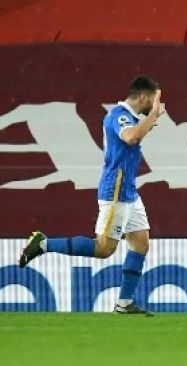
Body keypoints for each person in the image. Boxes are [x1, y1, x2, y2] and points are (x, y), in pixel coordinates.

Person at [18, 75, 165, 316]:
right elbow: (132, 137)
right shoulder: (119, 115)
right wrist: (153, 116)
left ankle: (124, 304)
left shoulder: (129, 117)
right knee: (104, 248)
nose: (156, 104)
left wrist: (149, 119)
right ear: (143, 97)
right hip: (115, 191)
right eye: (155, 99)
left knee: (140, 242)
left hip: (129, 190)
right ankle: (42, 244)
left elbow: (133, 137)